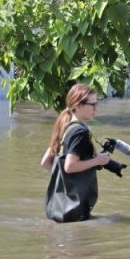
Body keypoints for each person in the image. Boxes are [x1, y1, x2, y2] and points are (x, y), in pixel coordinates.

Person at [40, 84, 112, 223]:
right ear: (78, 106)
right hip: (74, 209)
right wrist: (98, 160)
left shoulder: (65, 126)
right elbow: (70, 166)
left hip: (59, 207)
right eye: (92, 104)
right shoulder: (80, 132)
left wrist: (66, 183)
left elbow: (45, 163)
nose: (96, 108)